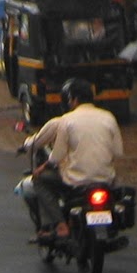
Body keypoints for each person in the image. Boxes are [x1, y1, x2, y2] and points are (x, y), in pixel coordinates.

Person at [30, 77, 123, 238]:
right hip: (106, 179)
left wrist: (43, 167)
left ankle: (61, 225)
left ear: (73, 100)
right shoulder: (109, 117)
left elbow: (57, 156)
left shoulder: (66, 120)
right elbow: (118, 152)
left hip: (75, 181)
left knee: (39, 181)